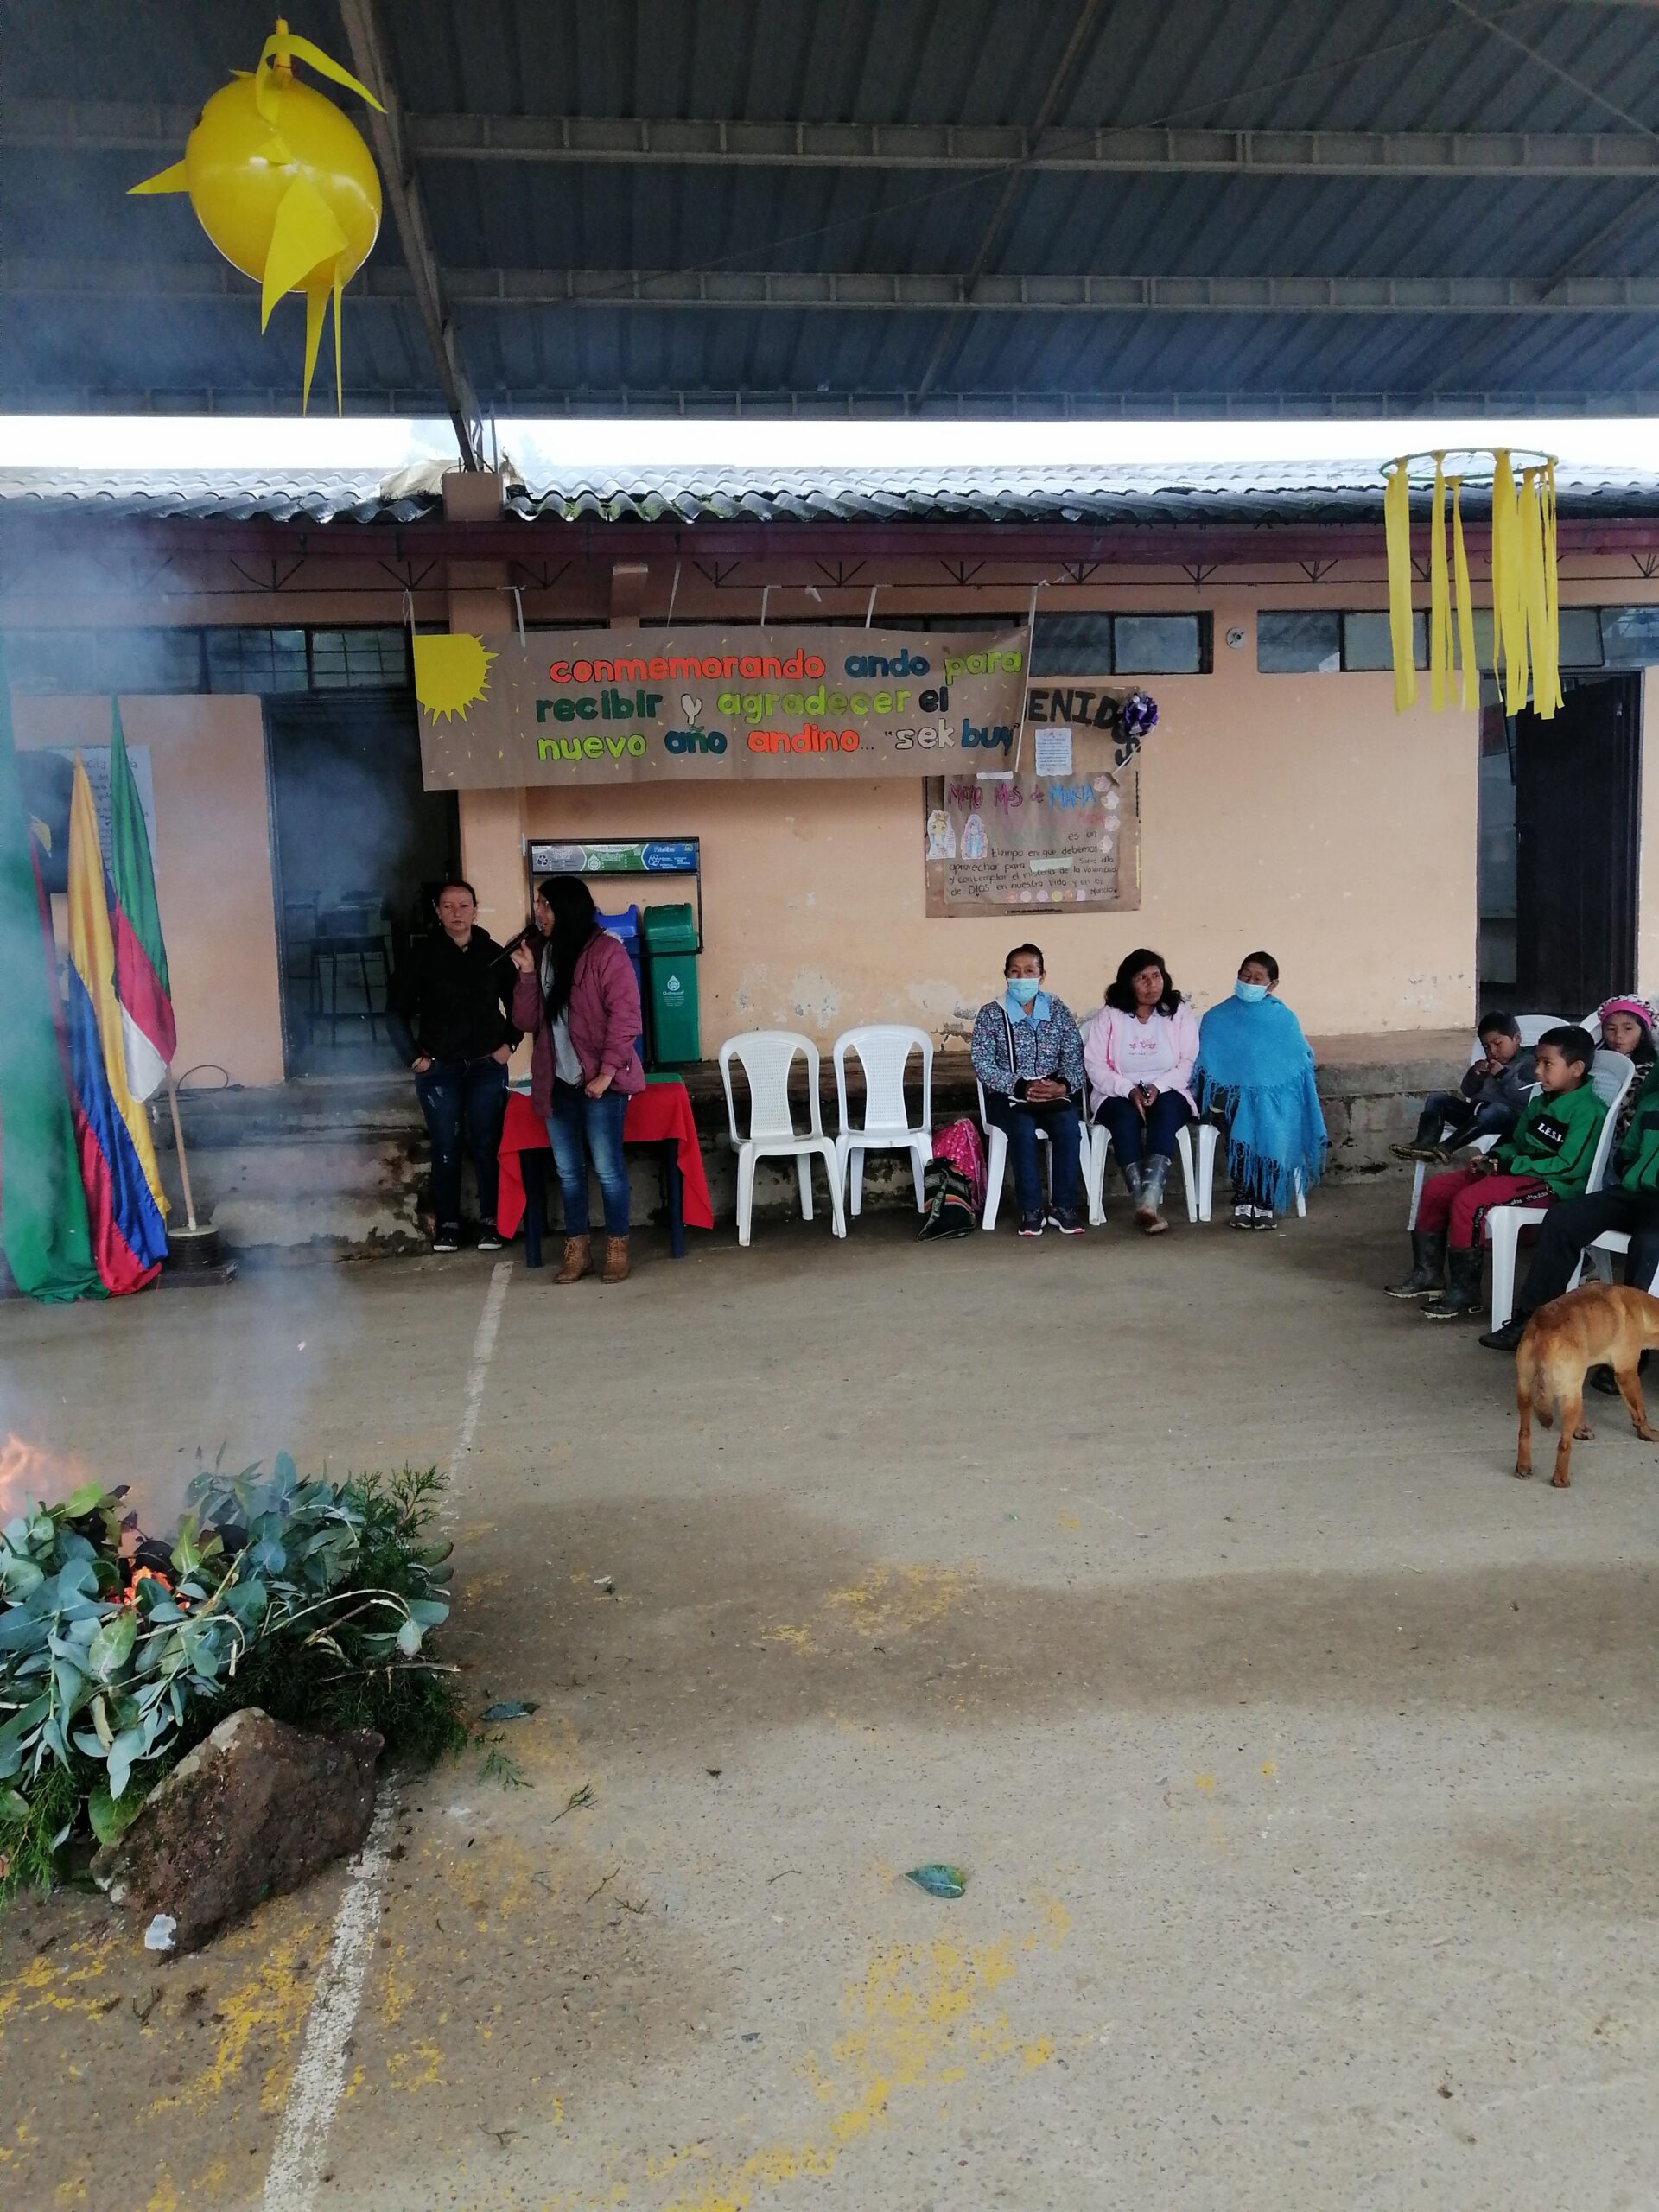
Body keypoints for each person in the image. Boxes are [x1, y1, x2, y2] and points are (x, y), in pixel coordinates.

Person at [1388, 1024, 1605, 1320]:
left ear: (1576, 1069)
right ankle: (1428, 1275)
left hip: (1554, 1185)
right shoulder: (1540, 1102)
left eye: (1547, 1064)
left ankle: (1466, 1292)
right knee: (1438, 1189)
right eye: (1537, 1062)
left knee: (1470, 1201)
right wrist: (1494, 1156)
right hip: (1519, 1172)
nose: (1537, 1071)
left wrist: (1511, 1165)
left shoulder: (1589, 1111)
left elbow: (1570, 1165)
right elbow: (1517, 1142)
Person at [1480, 1007, 1659, 1361]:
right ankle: (1532, 1321)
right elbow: (1629, 1149)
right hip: (1633, 1192)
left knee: (1648, 1244)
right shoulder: (1651, 1103)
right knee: (1563, 1219)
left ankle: (1631, 1352)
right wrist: (1631, 1169)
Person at [510, 878, 645, 1284]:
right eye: (538, 904)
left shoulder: (607, 952)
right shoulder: (541, 952)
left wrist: (606, 1074)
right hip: (557, 1082)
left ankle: (617, 1248)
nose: (539, 912)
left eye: (546, 905)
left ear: (567, 908)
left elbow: (625, 1018)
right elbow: (525, 1021)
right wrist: (527, 975)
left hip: (600, 1083)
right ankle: (578, 1250)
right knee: (568, 1173)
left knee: (607, 1169)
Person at [387, 878, 518, 1254]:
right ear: (438, 912)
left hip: (487, 1065)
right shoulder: (421, 957)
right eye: (448, 906)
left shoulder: (493, 953)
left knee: (487, 1143)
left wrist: (510, 1044)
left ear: (475, 910)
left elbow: (521, 1004)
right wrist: (413, 1058)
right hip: (439, 1069)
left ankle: (491, 1223)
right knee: (446, 1146)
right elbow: (395, 1011)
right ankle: (447, 1226)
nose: (457, 913)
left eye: (464, 906)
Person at [1194, 950, 1325, 1231]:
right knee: (1241, 1117)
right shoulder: (1217, 1017)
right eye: (1245, 976)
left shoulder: (1284, 1019)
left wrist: (1268, 1090)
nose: (1250, 982)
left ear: (1272, 985)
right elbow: (1206, 1065)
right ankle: (1244, 1199)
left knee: (1270, 1121)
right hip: (1229, 1099)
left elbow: (1299, 1060)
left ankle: (1265, 1200)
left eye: (1257, 978)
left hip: (1273, 1099)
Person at [969, 943, 1087, 1237]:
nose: (1022, 978)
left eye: (1030, 971)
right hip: (1008, 1097)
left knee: (1069, 1127)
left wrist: (1062, 1086)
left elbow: (1075, 1057)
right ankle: (1030, 1209)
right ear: (1006, 975)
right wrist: (1019, 1086)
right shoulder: (991, 1015)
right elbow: (983, 1064)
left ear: (1042, 976)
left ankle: (1063, 1207)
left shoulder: (1057, 1011)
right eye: (1015, 972)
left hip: (1052, 1095)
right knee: (1021, 1131)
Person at [1081, 947, 1198, 1234]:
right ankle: (1145, 1203)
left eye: (1156, 976)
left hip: (1170, 1086)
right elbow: (1095, 1066)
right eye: (1142, 978)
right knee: (1124, 1119)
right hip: (1115, 1090)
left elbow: (1189, 1062)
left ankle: (1148, 1202)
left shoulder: (1178, 1013)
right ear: (1127, 983)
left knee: (1166, 1114)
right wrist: (1129, 1090)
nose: (1151, 984)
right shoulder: (1110, 1016)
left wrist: (1159, 1086)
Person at [1389, 1011, 1535, 1164]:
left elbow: (1527, 1097)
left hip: (1508, 1120)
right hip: (1475, 1118)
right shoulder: (1489, 1063)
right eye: (1486, 1047)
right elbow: (1468, 1092)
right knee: (1436, 1099)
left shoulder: (1530, 1061)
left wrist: (1503, 1075)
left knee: (1495, 1109)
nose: (1492, 1052)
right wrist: (1474, 1076)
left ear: (1516, 1038)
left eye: (1498, 1044)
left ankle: (1446, 1148)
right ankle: (1425, 1144)